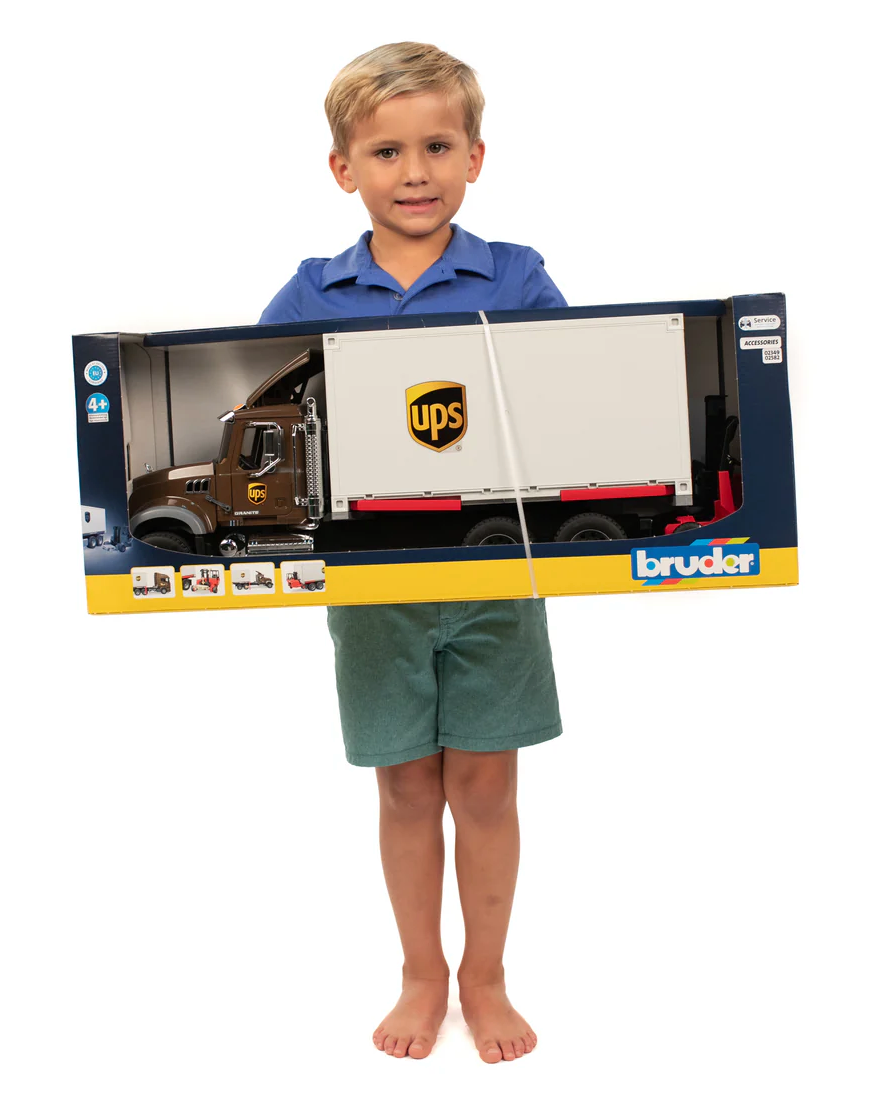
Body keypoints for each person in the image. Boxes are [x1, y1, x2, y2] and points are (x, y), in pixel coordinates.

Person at [259, 41, 566, 1064]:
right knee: (402, 784)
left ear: (475, 155)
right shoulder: (312, 291)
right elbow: (258, 421)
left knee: (484, 781)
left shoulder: (514, 275)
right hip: (371, 579)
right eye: (385, 152)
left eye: (437, 145)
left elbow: (570, 408)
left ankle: (484, 974)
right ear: (344, 169)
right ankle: (420, 971)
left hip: (490, 573)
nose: (415, 172)